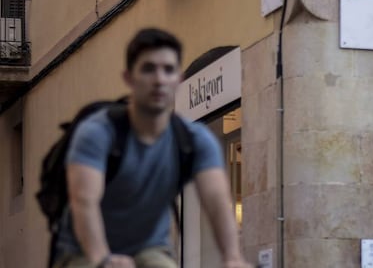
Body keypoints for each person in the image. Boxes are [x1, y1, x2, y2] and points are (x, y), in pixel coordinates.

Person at [53, 28, 251, 268]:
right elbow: (84, 201)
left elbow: (217, 201)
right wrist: (102, 259)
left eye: (168, 70)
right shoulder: (98, 133)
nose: (159, 80)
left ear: (178, 79)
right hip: (84, 248)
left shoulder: (193, 139)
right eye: (148, 69)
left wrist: (232, 258)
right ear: (129, 78)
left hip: (149, 247)